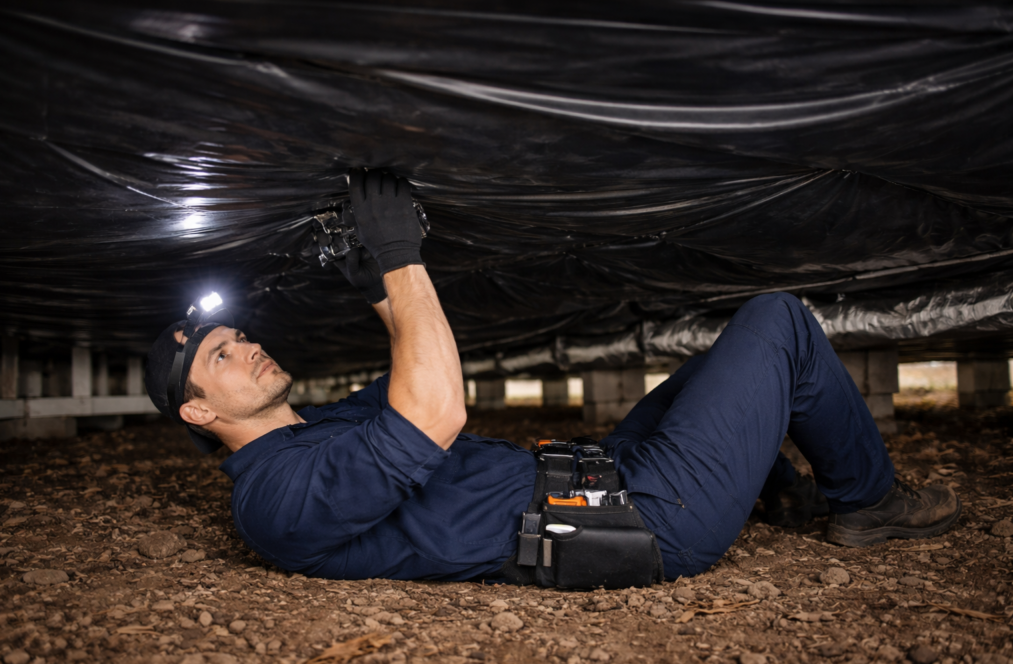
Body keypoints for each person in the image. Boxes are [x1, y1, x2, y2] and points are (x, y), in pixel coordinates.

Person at [144, 169, 960, 582]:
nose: (246, 347)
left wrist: (374, 283)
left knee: (712, 369)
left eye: (238, 335)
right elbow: (431, 412)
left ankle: (775, 493)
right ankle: (871, 503)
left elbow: (406, 371)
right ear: (197, 411)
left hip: (604, 473)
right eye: (221, 356)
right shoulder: (274, 499)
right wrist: (400, 254)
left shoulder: (315, 428)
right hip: (643, 521)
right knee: (778, 321)